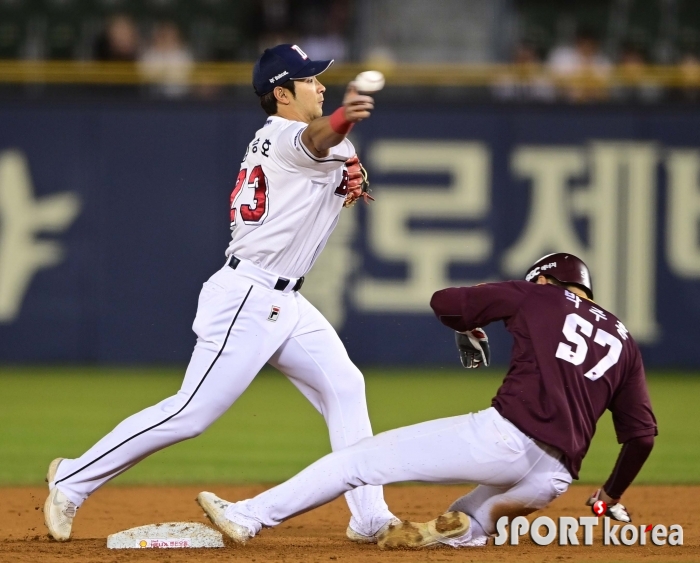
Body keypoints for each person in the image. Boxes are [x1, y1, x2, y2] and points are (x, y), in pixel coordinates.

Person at [44, 43, 396, 543]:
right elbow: (318, 140)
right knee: (192, 412)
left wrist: (345, 176)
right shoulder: (286, 136)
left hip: (286, 300)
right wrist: (342, 119)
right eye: (310, 79)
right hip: (248, 296)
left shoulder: (294, 139)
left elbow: (326, 157)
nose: (320, 85)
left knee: (345, 386)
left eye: (321, 78)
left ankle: (369, 516)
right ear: (281, 93)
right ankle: (72, 479)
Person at [196, 252, 657, 548]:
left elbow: (445, 301)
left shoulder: (535, 295)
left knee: (356, 460)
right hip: (553, 478)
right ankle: (458, 528)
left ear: (544, 279)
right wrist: (607, 496)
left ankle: (249, 517)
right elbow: (641, 438)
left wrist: (470, 321)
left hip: (504, 440)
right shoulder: (625, 340)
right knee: (467, 520)